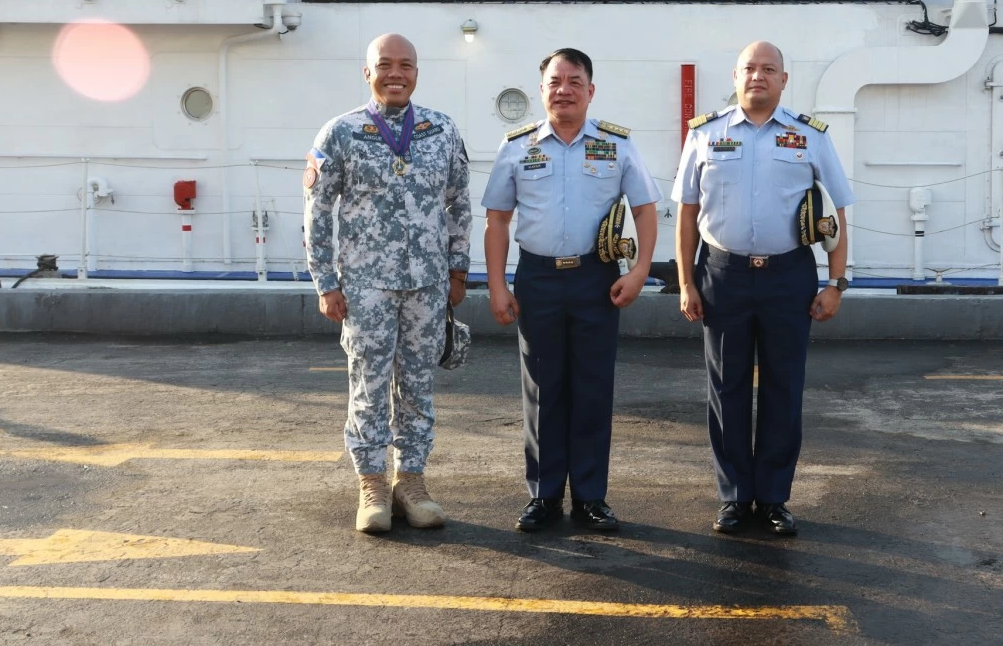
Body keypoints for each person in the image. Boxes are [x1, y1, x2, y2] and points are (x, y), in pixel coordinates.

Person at [672, 41, 853, 536]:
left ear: (783, 80)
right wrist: (686, 281)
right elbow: (687, 213)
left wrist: (836, 282)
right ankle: (734, 498)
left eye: (769, 69)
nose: (759, 76)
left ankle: (773, 498)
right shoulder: (706, 134)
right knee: (727, 388)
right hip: (722, 275)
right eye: (750, 68)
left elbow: (837, 210)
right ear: (734, 76)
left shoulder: (809, 136)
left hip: (788, 276)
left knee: (782, 388)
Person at [482, 48, 661, 532]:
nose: (564, 90)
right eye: (555, 82)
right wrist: (497, 286)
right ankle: (543, 496)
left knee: (592, 387)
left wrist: (640, 270)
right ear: (542, 91)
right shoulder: (517, 146)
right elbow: (498, 221)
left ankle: (589, 497)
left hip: (596, 278)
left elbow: (645, 209)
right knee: (542, 389)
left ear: (590, 90)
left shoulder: (616, 145)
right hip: (538, 278)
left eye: (574, 81)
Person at [304, 33, 471, 534]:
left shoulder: (440, 129)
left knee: (418, 386)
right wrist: (325, 282)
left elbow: (460, 202)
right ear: (367, 72)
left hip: (426, 284)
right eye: (385, 65)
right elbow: (317, 211)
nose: (396, 73)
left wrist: (458, 269)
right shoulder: (341, 133)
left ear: (417, 73)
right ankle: (372, 485)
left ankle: (412, 483)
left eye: (406, 65)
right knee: (369, 386)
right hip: (365, 287)